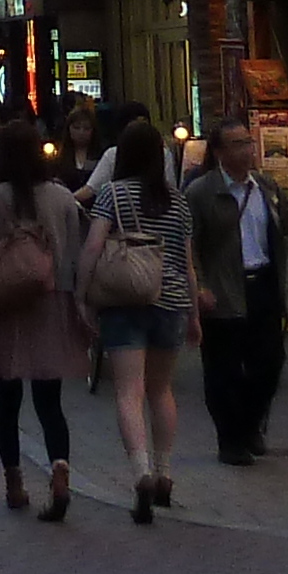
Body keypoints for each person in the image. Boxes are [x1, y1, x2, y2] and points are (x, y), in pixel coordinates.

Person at [0, 125, 89, 520]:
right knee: (49, 401)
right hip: (51, 302)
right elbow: (73, 255)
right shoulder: (62, 198)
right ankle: (59, 470)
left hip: (3, 306)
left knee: (7, 399)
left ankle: (14, 481)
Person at [85, 100, 195, 523]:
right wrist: (195, 314)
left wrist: (83, 293)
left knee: (128, 391)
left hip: (125, 299)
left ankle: (141, 472)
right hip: (170, 302)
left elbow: (94, 246)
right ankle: (166, 472)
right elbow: (187, 263)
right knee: (160, 390)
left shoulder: (113, 194)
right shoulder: (178, 202)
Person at [186, 116, 288, 466]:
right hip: (223, 288)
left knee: (269, 362)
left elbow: (287, 233)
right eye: (237, 144)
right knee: (224, 369)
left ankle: (249, 424)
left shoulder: (265, 188)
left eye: (248, 142)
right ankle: (229, 440)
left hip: (262, 283)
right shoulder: (201, 193)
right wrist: (199, 285)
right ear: (218, 152)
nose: (248, 150)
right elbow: (190, 245)